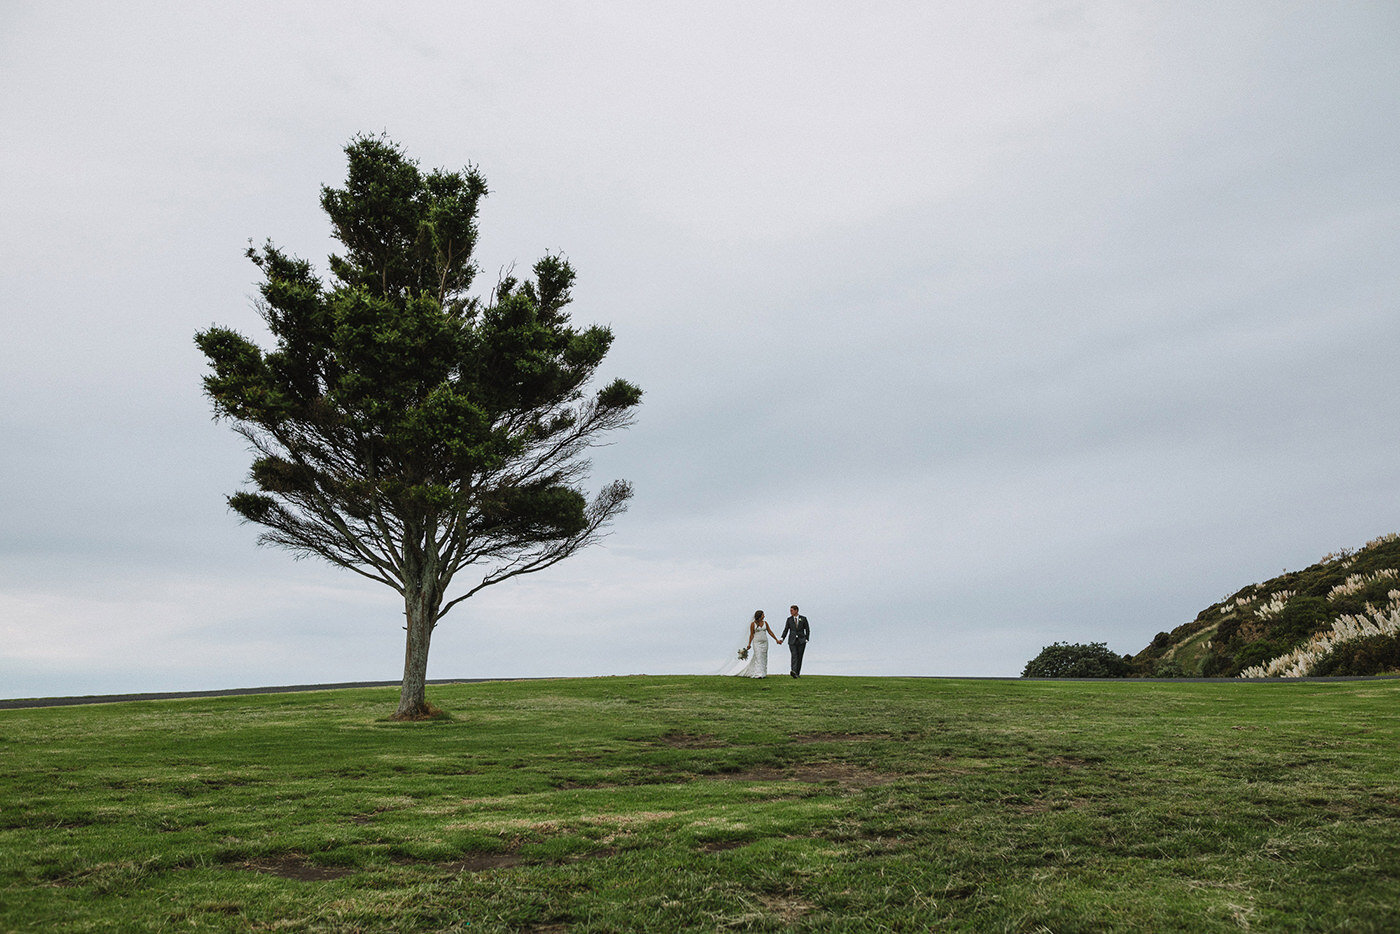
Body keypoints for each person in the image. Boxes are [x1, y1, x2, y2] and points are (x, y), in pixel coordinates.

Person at [737, 610, 782, 678]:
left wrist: (776, 639)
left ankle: (763, 673)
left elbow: (770, 632)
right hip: (757, 642)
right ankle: (758, 674)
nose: (764, 616)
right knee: (758, 656)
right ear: (760, 616)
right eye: (763, 615)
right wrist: (749, 644)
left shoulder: (765, 623)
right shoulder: (753, 624)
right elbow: (752, 635)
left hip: (765, 642)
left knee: (764, 657)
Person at [781, 605, 810, 677]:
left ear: (796, 610)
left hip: (801, 640)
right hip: (792, 640)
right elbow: (786, 630)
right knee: (794, 655)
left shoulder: (803, 618)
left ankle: (797, 673)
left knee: (800, 656)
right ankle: (793, 671)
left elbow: (807, 629)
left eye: (792, 610)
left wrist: (806, 639)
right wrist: (782, 638)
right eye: (790, 610)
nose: (790, 612)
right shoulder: (789, 619)